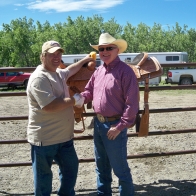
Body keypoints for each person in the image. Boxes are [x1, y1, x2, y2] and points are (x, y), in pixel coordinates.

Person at [26, 40, 92, 196]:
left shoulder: (58, 73)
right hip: (45, 139)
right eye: (52, 54)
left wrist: (85, 59)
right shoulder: (39, 78)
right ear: (43, 56)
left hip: (64, 138)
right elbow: (50, 106)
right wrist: (75, 99)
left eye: (59, 53)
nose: (56, 57)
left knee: (71, 170)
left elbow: (70, 69)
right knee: (43, 180)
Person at [80, 33, 139, 196]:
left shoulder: (126, 72)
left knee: (120, 169)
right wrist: (78, 99)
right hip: (98, 125)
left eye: (109, 48)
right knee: (101, 166)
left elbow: (132, 104)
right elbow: (89, 91)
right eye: (101, 49)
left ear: (117, 50)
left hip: (114, 125)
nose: (104, 51)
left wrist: (119, 127)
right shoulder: (98, 71)